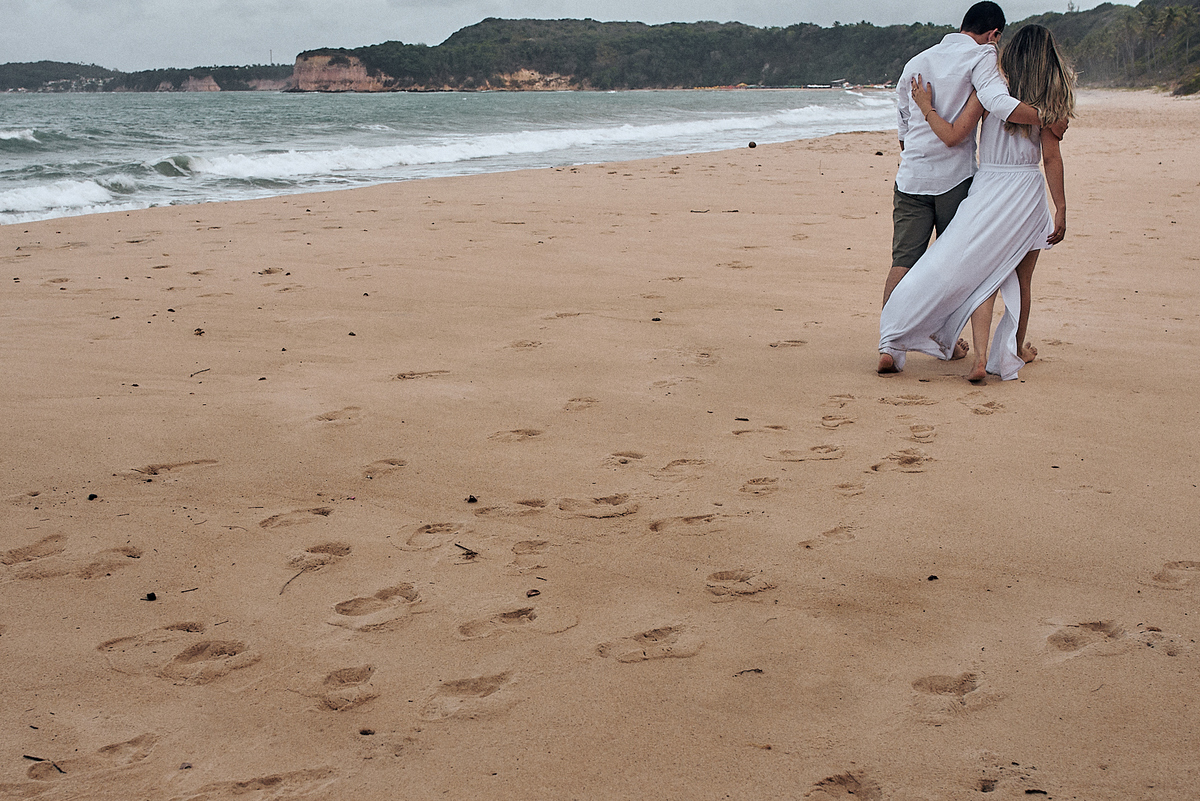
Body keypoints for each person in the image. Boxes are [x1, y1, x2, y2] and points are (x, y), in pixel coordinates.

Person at [877, 23, 1075, 381]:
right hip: (1028, 194)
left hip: (988, 188)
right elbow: (1051, 159)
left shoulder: (988, 91)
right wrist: (1060, 207)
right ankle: (1013, 349)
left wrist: (926, 109)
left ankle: (977, 357)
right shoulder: (1049, 103)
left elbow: (953, 135)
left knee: (982, 275)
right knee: (1021, 281)